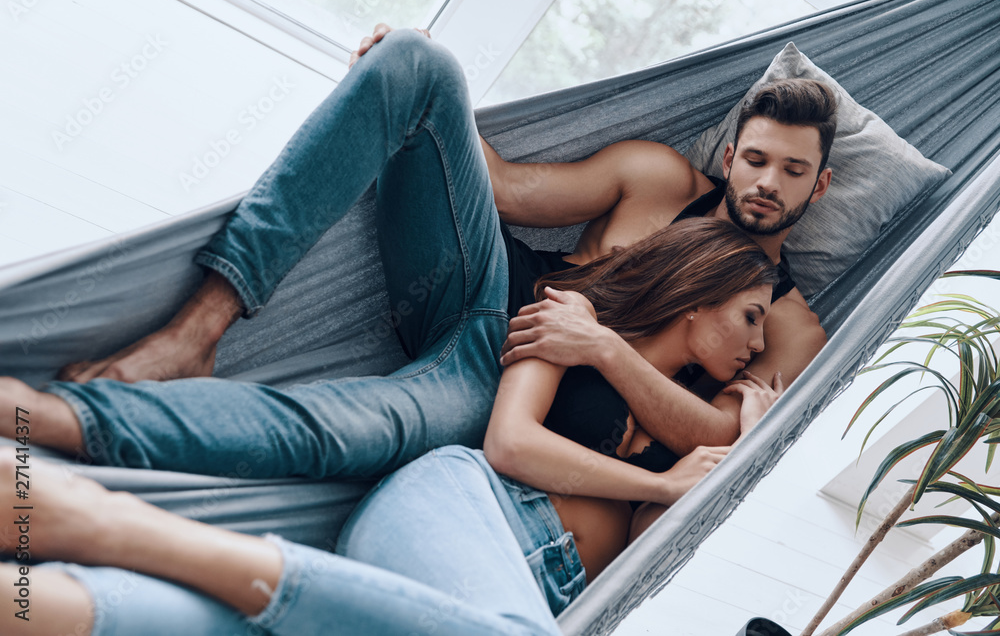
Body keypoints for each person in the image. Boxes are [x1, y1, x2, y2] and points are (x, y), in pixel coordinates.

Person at [0, 24, 833, 480]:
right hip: (474, 291)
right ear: (730, 156)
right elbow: (499, 186)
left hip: (494, 394)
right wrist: (396, 96)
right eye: (755, 159)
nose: (766, 182)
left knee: (343, 434)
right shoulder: (654, 178)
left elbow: (718, 433)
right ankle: (200, 327)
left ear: (819, 187)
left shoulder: (791, 329)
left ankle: (76, 423)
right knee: (418, 61)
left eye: (792, 171)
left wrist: (603, 349)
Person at [1, 218, 782, 636]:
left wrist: (746, 441)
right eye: (750, 317)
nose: (755, 345)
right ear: (697, 290)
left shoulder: (693, 426)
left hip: (486, 599)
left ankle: (30, 598)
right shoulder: (572, 318)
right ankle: (103, 521)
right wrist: (658, 475)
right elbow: (509, 445)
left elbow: (663, 527)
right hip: (459, 508)